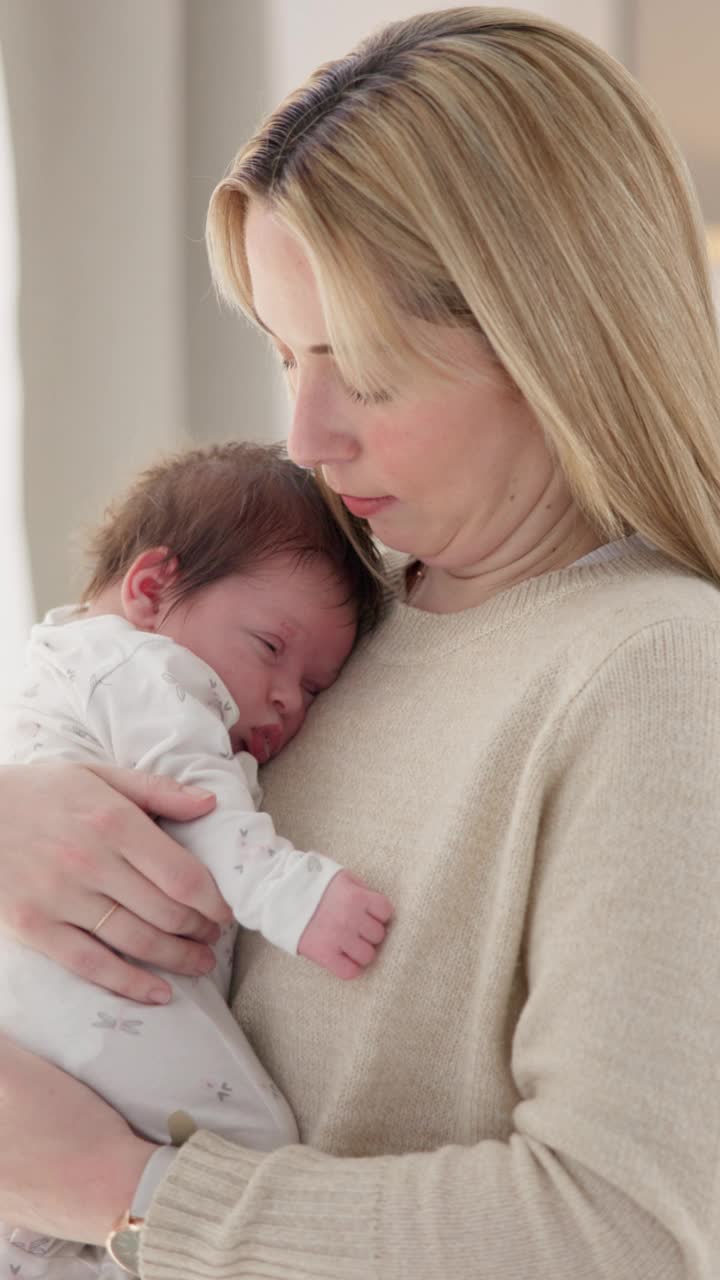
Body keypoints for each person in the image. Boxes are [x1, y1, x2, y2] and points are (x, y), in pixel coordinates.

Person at [1, 7, 719, 1277]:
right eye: (283, 354)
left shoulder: (653, 672)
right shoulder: (331, 611)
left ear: (554, 338)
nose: (306, 435)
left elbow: (629, 1233)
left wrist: (124, 1192)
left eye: (366, 371)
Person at [0, 441, 391, 1276]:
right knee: (250, 1158)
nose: (288, 698)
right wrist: (298, 896)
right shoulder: (141, 668)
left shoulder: (67, 662)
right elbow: (202, 803)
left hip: (44, 999)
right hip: (94, 990)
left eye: (316, 686)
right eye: (271, 647)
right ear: (150, 590)